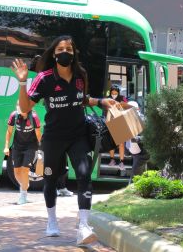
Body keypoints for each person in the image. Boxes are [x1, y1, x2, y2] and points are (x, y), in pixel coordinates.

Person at [10, 35, 116, 246]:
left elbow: (81, 99)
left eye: (69, 48)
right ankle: (51, 221)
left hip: (78, 136)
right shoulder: (45, 78)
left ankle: (84, 226)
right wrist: (22, 82)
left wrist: (102, 101)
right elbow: (24, 108)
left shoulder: (80, 75)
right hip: (53, 138)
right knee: (50, 179)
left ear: (74, 52)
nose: (65, 52)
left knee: (85, 175)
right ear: (54, 53)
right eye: (60, 49)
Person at [31, 54, 74, 197]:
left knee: (62, 162)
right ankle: (54, 187)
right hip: (54, 132)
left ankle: (61, 187)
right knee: (52, 162)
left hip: (63, 132)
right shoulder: (44, 80)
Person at [4, 102, 42, 205]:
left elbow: (38, 134)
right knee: (17, 172)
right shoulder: (14, 115)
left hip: (31, 146)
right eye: (17, 105)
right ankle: (25, 185)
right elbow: (9, 132)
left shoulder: (33, 117)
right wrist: (6, 146)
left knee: (25, 170)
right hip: (17, 146)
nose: (18, 107)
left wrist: (42, 149)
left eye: (20, 105)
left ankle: (23, 194)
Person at [106, 85, 130, 170]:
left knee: (121, 143)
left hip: (120, 122)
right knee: (111, 143)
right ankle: (112, 160)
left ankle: (121, 162)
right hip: (110, 122)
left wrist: (121, 105)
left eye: (115, 92)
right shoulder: (107, 98)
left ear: (118, 92)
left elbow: (127, 106)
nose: (114, 94)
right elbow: (105, 110)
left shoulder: (122, 98)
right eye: (112, 92)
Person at [125, 101, 148, 184]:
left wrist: (137, 138)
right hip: (134, 150)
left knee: (135, 175)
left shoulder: (144, 120)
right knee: (140, 174)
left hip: (143, 153)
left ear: (137, 109)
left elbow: (149, 136)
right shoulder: (127, 118)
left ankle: (130, 192)